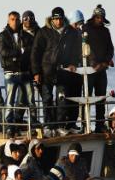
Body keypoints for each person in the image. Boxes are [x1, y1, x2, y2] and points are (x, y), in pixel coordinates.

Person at [31, 7, 82, 137]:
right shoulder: (43, 32)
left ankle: (60, 125)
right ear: (52, 18)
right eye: (55, 18)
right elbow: (35, 53)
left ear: (63, 18)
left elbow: (77, 50)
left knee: (62, 99)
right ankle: (48, 125)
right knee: (47, 98)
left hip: (63, 71)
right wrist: (36, 72)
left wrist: (74, 63)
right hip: (46, 71)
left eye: (60, 18)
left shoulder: (71, 32)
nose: (58, 21)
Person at [0, 11, 34, 136]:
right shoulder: (2, 36)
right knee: (10, 101)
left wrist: (19, 54)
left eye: (17, 19)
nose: (15, 21)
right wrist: (19, 52)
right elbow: (3, 52)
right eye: (12, 19)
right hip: (10, 73)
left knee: (30, 99)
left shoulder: (27, 36)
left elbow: (30, 52)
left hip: (25, 72)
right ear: (8, 20)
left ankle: (32, 123)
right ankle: (9, 126)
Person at [82, 4, 115, 133]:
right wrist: (93, 62)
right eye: (97, 17)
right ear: (94, 17)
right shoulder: (85, 28)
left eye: (101, 17)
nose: (100, 20)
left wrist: (104, 62)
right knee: (87, 98)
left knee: (101, 98)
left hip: (102, 70)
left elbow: (110, 48)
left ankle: (100, 125)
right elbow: (84, 47)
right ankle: (85, 125)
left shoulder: (106, 31)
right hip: (89, 70)